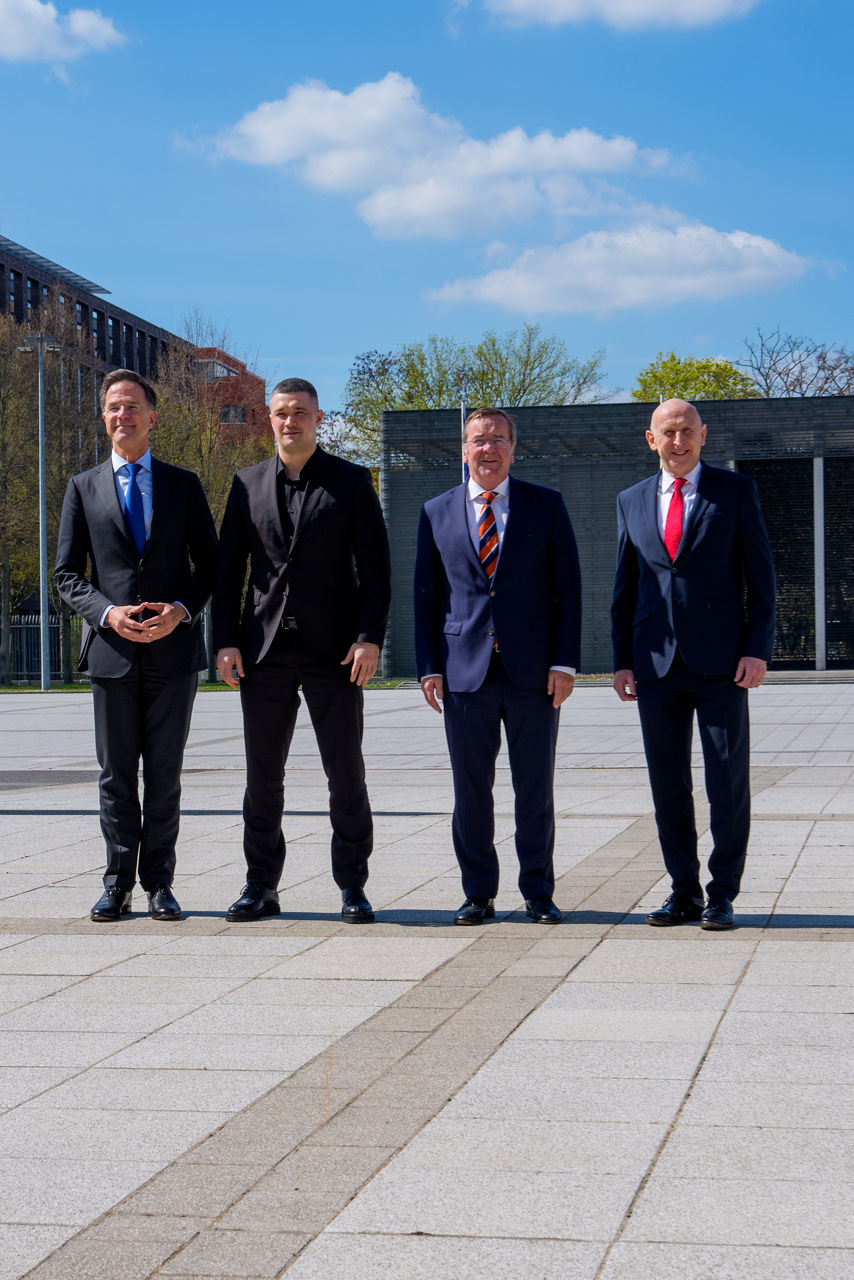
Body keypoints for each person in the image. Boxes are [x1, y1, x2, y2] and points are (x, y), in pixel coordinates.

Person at [213, 377, 391, 923]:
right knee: (262, 777)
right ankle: (260, 885)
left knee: (346, 772)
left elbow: (377, 571)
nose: (290, 421)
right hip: (263, 651)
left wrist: (369, 638)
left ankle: (352, 886)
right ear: (270, 419)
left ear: (318, 417)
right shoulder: (245, 485)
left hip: (334, 652)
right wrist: (224, 642)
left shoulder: (352, 481)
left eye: (300, 413)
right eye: (281, 413)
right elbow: (228, 573)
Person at [55, 369, 217, 922]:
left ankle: (160, 885)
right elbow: (66, 575)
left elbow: (212, 567)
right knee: (116, 774)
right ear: (103, 418)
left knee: (165, 773)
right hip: (112, 655)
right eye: (112, 407)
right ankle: (117, 882)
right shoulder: (82, 487)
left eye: (131, 406)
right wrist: (106, 612)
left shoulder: (184, 484)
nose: (121, 415)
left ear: (153, 415)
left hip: (173, 655)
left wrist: (180, 609)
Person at [611, 398, 776, 931]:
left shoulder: (735, 492)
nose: (678, 442)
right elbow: (625, 588)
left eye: (687, 431)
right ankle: (682, 891)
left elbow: (762, 579)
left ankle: (721, 892)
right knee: (668, 782)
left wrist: (757, 649)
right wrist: (622, 661)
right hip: (655, 665)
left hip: (723, 663)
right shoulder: (630, 500)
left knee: (727, 780)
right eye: (668, 432)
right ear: (650, 439)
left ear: (703, 435)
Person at [414, 407, 581, 925]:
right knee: (470, 791)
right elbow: (426, 595)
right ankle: (478, 893)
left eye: (499, 440)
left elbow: (568, 590)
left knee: (535, 787)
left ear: (514, 448)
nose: (489, 449)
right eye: (479, 440)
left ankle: (538, 891)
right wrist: (428, 666)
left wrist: (566, 663)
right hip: (464, 673)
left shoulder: (545, 506)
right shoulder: (435, 511)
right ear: (464, 450)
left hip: (534, 674)